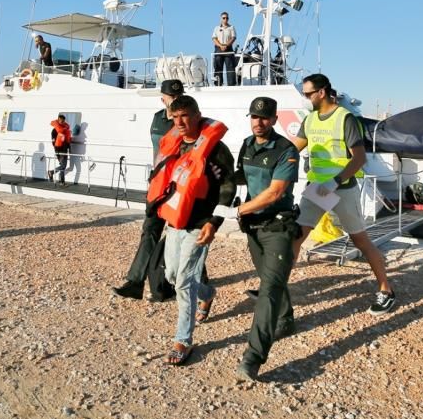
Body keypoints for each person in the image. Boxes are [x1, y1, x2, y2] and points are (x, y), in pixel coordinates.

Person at [291, 73, 397, 316]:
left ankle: (386, 291)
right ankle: (274, 289)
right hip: (317, 188)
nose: (306, 99)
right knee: (296, 236)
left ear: (322, 92)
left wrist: (335, 180)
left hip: (343, 188)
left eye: (308, 94)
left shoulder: (345, 118)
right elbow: (293, 148)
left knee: (361, 241)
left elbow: (358, 158)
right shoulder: (310, 120)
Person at [146, 95, 235, 366]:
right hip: (175, 223)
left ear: (197, 114)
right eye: (174, 117)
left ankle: (183, 341)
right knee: (173, 276)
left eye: (184, 115)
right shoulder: (173, 146)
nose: (179, 122)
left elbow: (228, 189)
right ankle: (207, 294)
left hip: (199, 225)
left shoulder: (217, 150)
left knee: (183, 282)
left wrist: (214, 222)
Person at [217, 96, 301, 381]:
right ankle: (286, 320)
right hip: (253, 227)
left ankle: (252, 357)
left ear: (275, 120)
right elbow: (244, 176)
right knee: (269, 279)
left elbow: (276, 192)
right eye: (254, 117)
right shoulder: (247, 145)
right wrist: (222, 174)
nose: (259, 122)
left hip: (278, 227)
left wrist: (236, 210)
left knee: (269, 289)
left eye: (264, 118)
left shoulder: (286, 150)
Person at [112, 78, 185, 302]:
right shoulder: (157, 119)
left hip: (180, 188)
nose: (172, 101)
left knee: (179, 237)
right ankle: (135, 282)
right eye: (170, 98)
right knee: (150, 232)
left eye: (176, 97)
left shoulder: (189, 120)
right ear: (162, 98)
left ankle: (186, 282)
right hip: (158, 185)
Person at [211, 11, 236, 86]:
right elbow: (214, 38)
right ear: (221, 19)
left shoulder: (231, 27)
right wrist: (221, 45)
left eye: (227, 18)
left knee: (230, 67)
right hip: (219, 48)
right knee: (218, 66)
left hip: (228, 49)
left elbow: (233, 38)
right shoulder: (216, 28)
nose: (225, 19)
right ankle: (218, 83)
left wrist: (226, 45)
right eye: (224, 18)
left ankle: (231, 84)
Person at [48, 114, 72, 186]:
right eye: (61, 121)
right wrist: (56, 150)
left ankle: (61, 181)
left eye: (63, 121)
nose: (62, 122)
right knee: (63, 166)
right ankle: (52, 172)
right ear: (58, 120)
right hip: (59, 150)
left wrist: (69, 148)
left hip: (64, 149)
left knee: (63, 166)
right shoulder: (55, 130)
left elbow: (67, 140)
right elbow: (53, 141)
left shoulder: (64, 129)